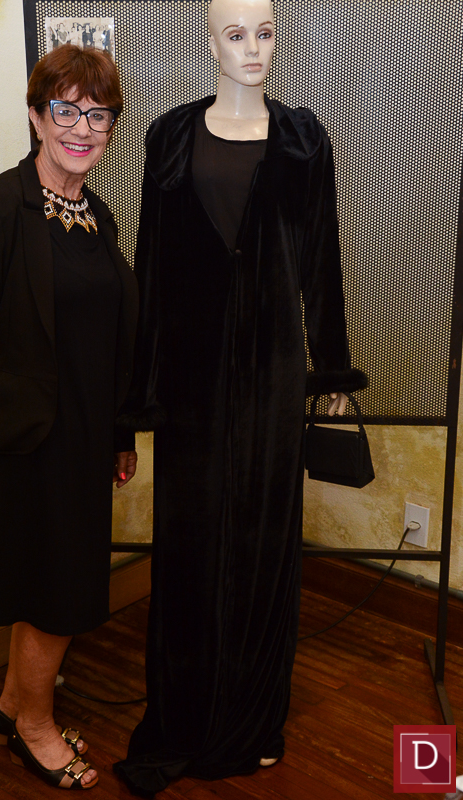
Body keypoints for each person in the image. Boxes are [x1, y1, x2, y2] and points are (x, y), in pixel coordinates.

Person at [113, 0, 366, 794]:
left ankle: (253, 719)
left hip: (270, 372)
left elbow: (320, 260)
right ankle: (185, 715)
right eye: (235, 33)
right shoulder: (169, 136)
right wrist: (138, 394)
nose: (252, 48)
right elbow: (152, 266)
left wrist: (330, 371)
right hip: (188, 382)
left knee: (261, 548)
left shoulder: (302, 139)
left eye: (264, 32)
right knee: (188, 546)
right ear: (209, 43)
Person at [0, 44, 138, 791]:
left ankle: (9, 705)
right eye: (66, 110)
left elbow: (110, 340)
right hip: (25, 442)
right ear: (35, 116)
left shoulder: (99, 217)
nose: (82, 128)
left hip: (83, 439)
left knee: (52, 585)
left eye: (98, 114)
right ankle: (35, 727)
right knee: (55, 594)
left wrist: (119, 433)